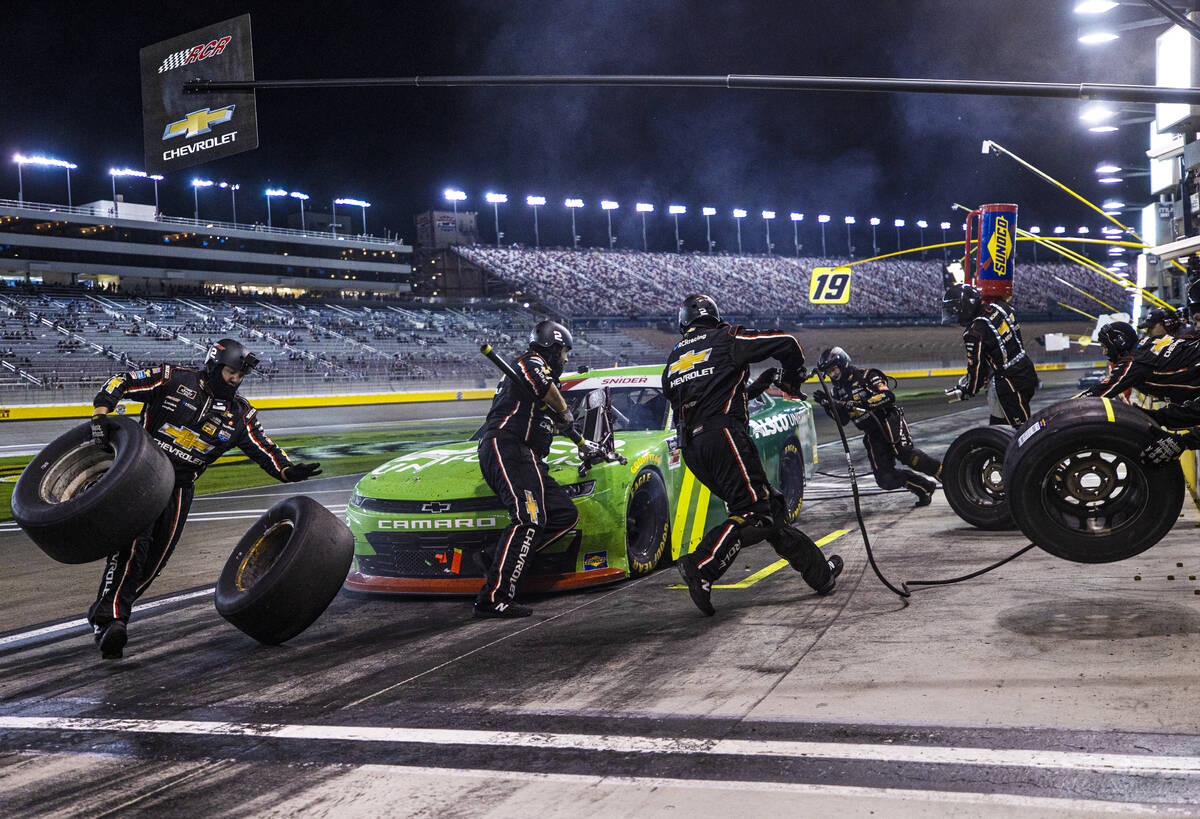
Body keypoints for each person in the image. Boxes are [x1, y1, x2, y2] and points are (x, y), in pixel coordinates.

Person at [87, 339, 322, 660]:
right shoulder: (171, 378)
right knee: (133, 549)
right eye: (231, 372)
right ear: (213, 365)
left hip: (181, 488)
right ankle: (112, 621)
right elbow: (123, 381)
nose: (235, 380)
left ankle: (106, 610)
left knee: (154, 561)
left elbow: (264, 448)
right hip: (140, 476)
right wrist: (101, 414)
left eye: (240, 376)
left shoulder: (241, 414)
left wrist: (288, 470)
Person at [664, 294, 842, 616]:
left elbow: (707, 395)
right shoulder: (726, 336)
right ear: (714, 318)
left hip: (693, 448)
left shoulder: (674, 358)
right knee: (757, 513)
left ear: (683, 324)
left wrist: (755, 388)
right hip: (724, 437)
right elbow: (787, 342)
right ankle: (703, 565)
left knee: (769, 510)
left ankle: (821, 575)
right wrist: (791, 376)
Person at [474, 320, 598, 618]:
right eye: (564, 352)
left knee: (563, 514)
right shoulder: (529, 362)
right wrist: (566, 411)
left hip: (526, 454)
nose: (565, 359)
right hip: (508, 447)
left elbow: (543, 417)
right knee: (528, 519)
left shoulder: (532, 383)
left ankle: (498, 559)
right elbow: (545, 388)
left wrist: (569, 431)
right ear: (552, 348)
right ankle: (494, 597)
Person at [812, 347, 942, 507]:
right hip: (872, 434)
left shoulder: (868, 376)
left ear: (843, 363)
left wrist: (862, 404)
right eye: (829, 372)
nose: (833, 375)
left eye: (834, 370)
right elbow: (843, 420)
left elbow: (889, 397)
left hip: (888, 422)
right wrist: (828, 405)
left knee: (907, 455)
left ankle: (946, 474)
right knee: (885, 480)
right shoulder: (836, 393)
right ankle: (924, 487)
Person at [942, 283, 1038, 426]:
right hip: (1026, 368)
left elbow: (976, 367)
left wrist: (967, 390)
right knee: (1003, 427)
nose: (954, 316)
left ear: (964, 308)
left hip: (1008, 382)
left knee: (1019, 431)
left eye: (954, 311)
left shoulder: (974, 332)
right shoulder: (1001, 308)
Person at [1083, 320, 1200, 401]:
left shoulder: (1133, 362)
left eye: (1105, 346)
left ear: (1119, 342)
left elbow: (1100, 392)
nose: (1104, 353)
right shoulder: (1150, 341)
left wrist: (1068, 406)